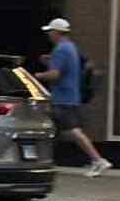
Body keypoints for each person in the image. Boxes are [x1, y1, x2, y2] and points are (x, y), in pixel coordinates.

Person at [42, 16, 112, 177]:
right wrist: (50, 61)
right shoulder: (71, 47)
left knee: (72, 131)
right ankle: (46, 162)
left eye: (50, 32)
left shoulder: (60, 49)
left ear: (57, 33)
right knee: (52, 131)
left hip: (62, 98)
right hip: (69, 96)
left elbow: (54, 75)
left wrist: (35, 76)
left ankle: (98, 160)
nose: (49, 35)